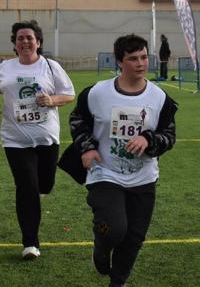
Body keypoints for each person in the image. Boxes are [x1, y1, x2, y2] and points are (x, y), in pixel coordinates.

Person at [69, 34, 177, 287]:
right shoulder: (97, 93)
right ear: (119, 61)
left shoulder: (160, 98)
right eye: (132, 59)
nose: (140, 63)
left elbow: (169, 136)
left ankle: (117, 282)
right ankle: (101, 247)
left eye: (143, 57)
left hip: (143, 177)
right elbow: (77, 121)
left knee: (134, 237)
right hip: (104, 173)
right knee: (114, 228)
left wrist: (149, 140)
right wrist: (86, 148)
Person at [0, 20, 75, 260]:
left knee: (44, 185)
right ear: (14, 43)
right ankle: (30, 243)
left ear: (38, 41)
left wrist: (52, 101)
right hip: (15, 139)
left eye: (30, 37)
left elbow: (69, 94)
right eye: (20, 38)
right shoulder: (4, 68)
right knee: (27, 187)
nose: (25, 41)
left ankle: (37, 192)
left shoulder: (50, 66)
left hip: (47, 138)